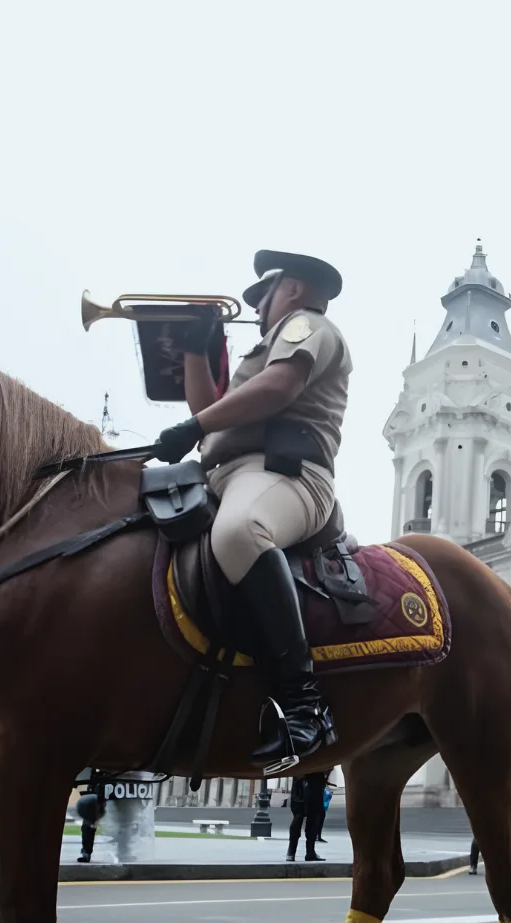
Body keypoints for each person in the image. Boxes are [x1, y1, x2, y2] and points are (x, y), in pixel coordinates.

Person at [157, 250, 351, 775]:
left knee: (242, 533)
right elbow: (209, 416)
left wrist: (194, 430)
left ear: (288, 288)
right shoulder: (262, 346)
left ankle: (303, 704)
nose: (255, 309)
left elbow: (279, 388)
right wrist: (197, 351)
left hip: (286, 476)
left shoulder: (308, 325)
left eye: (260, 298)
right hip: (224, 475)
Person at [286, 771, 327, 862]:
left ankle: (294, 852)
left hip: (304, 782)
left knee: (302, 817)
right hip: (310, 783)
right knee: (308, 818)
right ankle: (306, 852)